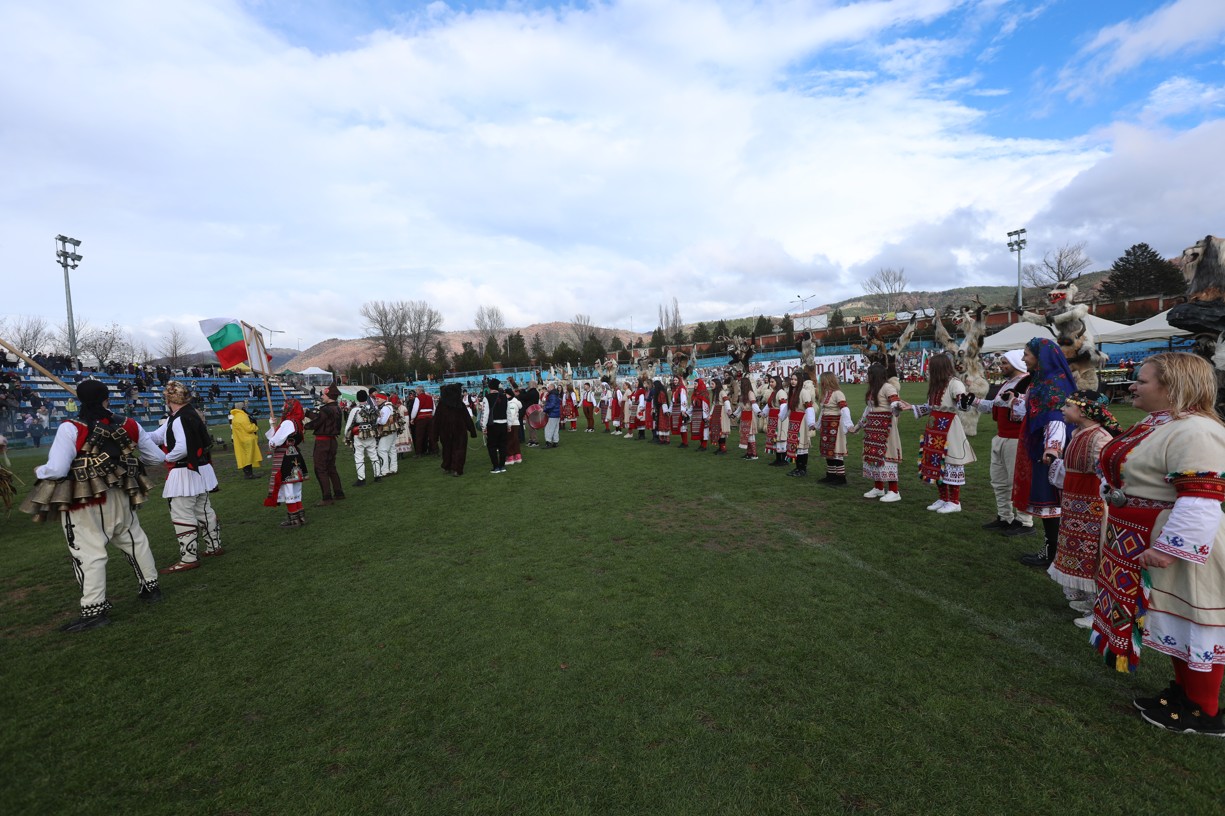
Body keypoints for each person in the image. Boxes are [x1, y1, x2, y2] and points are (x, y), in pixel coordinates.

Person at [1089, 353, 1225, 736]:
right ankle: (1184, 694)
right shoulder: (1160, 423)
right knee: (1175, 623)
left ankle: (1203, 710)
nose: (1133, 385)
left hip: (1179, 546)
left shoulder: (1197, 430)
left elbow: (1200, 496)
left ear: (1172, 387)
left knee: (1195, 622)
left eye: (1143, 380)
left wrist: (1169, 548)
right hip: (1140, 536)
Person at [20, 380, 165, 632]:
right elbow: (156, 457)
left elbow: (57, 469)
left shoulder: (71, 427)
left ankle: (94, 609)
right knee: (134, 539)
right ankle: (151, 588)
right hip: (121, 492)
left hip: (84, 499)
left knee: (88, 551)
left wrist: (40, 470)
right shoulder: (130, 424)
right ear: (107, 398)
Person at [1046, 389, 1120, 628]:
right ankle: (1088, 600)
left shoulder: (1100, 438)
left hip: (1092, 508)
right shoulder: (1078, 433)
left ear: (1085, 412)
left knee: (1093, 555)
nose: (1062, 409)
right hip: (1075, 504)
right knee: (1078, 553)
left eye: (1068, 406)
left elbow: (1106, 474)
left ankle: (1100, 609)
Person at [1010, 338, 1076, 567]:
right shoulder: (1042, 381)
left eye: (1027, 354)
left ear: (1041, 357)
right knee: (1049, 502)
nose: (1023, 358)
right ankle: (1053, 550)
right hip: (1041, 445)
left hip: (1049, 450)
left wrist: (1053, 448)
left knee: (1052, 501)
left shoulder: (1053, 385)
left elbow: (1056, 417)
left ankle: (1054, 553)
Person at [149, 381, 223, 573]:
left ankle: (189, 557)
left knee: (182, 512)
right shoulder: (185, 415)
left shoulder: (179, 418)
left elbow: (182, 448)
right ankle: (213, 546)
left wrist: (166, 457)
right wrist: (136, 434)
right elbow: (157, 436)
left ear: (168, 399)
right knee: (203, 509)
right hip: (199, 468)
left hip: (185, 471)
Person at [965, 349, 1034, 536]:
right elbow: (995, 406)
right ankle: (1005, 517)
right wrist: (973, 401)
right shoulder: (1008, 383)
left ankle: (1025, 521)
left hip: (1017, 438)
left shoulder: (1028, 382)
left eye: (1005, 363)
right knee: (999, 481)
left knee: (1017, 481)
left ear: (1016, 363)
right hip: (1002, 437)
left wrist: (1010, 401)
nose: (1001, 366)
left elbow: (1028, 409)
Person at [898, 353, 976, 514]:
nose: (928, 369)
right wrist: (911, 407)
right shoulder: (937, 385)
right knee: (937, 462)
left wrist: (964, 400)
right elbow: (931, 407)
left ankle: (954, 501)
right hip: (935, 427)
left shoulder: (954, 383)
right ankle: (943, 498)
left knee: (951, 461)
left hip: (949, 427)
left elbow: (962, 404)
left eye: (930, 367)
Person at [850, 362, 902, 503]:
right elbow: (868, 410)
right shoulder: (873, 389)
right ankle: (878, 487)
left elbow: (895, 402)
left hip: (885, 428)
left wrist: (896, 407)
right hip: (873, 428)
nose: (867, 377)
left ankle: (894, 491)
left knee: (887, 456)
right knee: (873, 456)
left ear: (875, 375)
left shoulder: (887, 387)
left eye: (869, 374)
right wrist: (858, 426)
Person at [264, 398, 310, 527]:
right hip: (295, 454)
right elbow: (279, 436)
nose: (282, 408)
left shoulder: (288, 422)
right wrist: (273, 426)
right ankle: (300, 516)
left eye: (285, 406)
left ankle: (293, 518)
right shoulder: (297, 421)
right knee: (295, 487)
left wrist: (272, 441)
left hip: (285, 457)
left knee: (288, 486)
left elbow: (274, 442)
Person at [306, 385, 345, 506]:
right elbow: (322, 419)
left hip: (323, 442)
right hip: (332, 441)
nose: (322, 396)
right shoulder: (337, 408)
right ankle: (339, 493)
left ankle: (327, 497)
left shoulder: (326, 409)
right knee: (331, 467)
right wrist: (308, 413)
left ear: (329, 396)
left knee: (320, 468)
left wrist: (304, 426)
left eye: (323, 394)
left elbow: (317, 422)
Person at [432, 383, 478, 475]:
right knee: (459, 449)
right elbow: (467, 419)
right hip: (459, 430)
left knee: (447, 449)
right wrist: (472, 431)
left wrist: (434, 435)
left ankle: (447, 466)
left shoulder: (441, 405)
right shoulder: (460, 405)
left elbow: (436, 421)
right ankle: (457, 468)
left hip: (445, 430)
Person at [816, 371, 853, 486]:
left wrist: (849, 424)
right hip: (826, 425)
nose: (821, 383)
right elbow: (823, 411)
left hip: (835, 425)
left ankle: (841, 477)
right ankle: (831, 475)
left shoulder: (838, 393)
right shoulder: (825, 394)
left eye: (822, 380)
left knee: (836, 450)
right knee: (828, 451)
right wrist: (817, 425)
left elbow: (844, 409)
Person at [343, 390, 382, 486]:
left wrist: (346, 435)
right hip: (371, 434)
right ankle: (378, 476)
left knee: (359, 457)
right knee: (373, 455)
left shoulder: (355, 410)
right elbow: (376, 421)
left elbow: (349, 424)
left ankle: (361, 479)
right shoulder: (372, 408)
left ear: (357, 398)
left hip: (359, 435)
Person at [482, 378, 510, 474]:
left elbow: (485, 414)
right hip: (504, 424)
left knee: (492, 446)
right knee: (503, 446)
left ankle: (496, 466)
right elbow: (508, 412)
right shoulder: (505, 397)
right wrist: (509, 424)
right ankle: (502, 465)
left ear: (490, 387)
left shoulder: (487, 397)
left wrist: (483, 426)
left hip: (493, 425)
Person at [229, 400, 261, 479]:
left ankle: (247, 473)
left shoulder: (236, 416)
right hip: (247, 439)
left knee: (244, 457)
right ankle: (249, 474)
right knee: (248, 457)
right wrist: (254, 425)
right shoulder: (242, 416)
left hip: (240, 439)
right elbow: (249, 428)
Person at [373, 391, 398, 477]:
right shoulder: (390, 406)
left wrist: (376, 420)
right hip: (393, 429)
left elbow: (383, 421)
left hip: (387, 430)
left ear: (383, 399)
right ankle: (393, 468)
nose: (376, 400)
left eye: (378, 398)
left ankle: (384, 470)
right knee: (392, 449)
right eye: (376, 398)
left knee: (381, 450)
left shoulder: (385, 408)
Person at [764, 375, 787, 467]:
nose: (771, 383)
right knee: (775, 438)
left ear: (777, 382)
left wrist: (781, 416)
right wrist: (763, 413)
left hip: (779, 418)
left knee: (780, 437)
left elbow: (783, 406)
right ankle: (778, 459)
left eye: (772, 382)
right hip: (773, 418)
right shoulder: (774, 392)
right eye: (770, 382)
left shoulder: (781, 392)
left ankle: (783, 460)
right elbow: (769, 405)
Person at [737, 375, 760, 460]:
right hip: (744, 416)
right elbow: (740, 407)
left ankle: (754, 454)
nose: (740, 385)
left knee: (750, 435)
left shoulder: (750, 393)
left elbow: (754, 404)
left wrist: (758, 412)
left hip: (749, 416)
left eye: (741, 383)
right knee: (746, 436)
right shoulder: (743, 394)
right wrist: (734, 414)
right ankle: (749, 453)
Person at [410, 385, 435, 456]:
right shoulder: (430, 397)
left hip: (421, 419)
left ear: (420, 391)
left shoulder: (418, 398)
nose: (416, 392)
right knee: (432, 435)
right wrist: (432, 415)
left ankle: (419, 452)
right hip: (430, 418)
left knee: (419, 436)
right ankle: (434, 450)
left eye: (417, 390)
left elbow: (415, 409)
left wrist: (412, 418)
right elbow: (434, 408)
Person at [690, 378, 711, 451]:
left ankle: (704, 445)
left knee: (703, 430)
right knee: (698, 430)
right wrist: (688, 413)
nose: (695, 385)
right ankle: (701, 444)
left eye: (696, 384)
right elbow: (692, 405)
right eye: (694, 384)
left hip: (702, 414)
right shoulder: (695, 393)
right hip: (696, 414)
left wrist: (705, 417)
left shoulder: (704, 394)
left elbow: (705, 405)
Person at [506, 386, 523, 465]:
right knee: (514, 440)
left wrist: (509, 424)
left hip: (512, 423)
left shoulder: (512, 403)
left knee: (510, 440)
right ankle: (517, 456)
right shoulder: (514, 402)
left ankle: (511, 457)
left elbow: (511, 415)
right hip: (514, 423)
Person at [542, 382, 562, 448]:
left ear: (551, 388)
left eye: (548, 387)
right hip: (556, 413)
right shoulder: (555, 394)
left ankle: (548, 442)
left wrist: (544, 409)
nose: (547, 388)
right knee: (555, 428)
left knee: (548, 428)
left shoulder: (552, 395)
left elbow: (552, 405)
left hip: (553, 414)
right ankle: (555, 442)